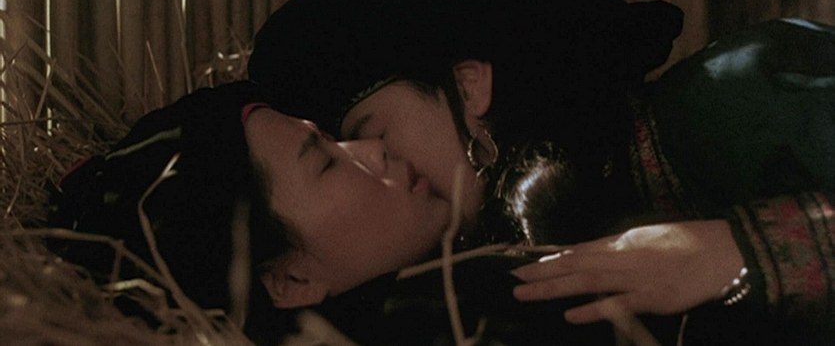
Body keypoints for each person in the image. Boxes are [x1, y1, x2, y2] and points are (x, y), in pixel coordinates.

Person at [248, 0, 835, 343]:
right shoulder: (506, 280)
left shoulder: (735, 96)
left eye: (371, 133)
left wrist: (735, 253)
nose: (372, 160)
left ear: (467, 86)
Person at [46, 81, 614, 345]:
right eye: (326, 164)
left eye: (329, 139)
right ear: (289, 281)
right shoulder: (469, 318)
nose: (372, 149)